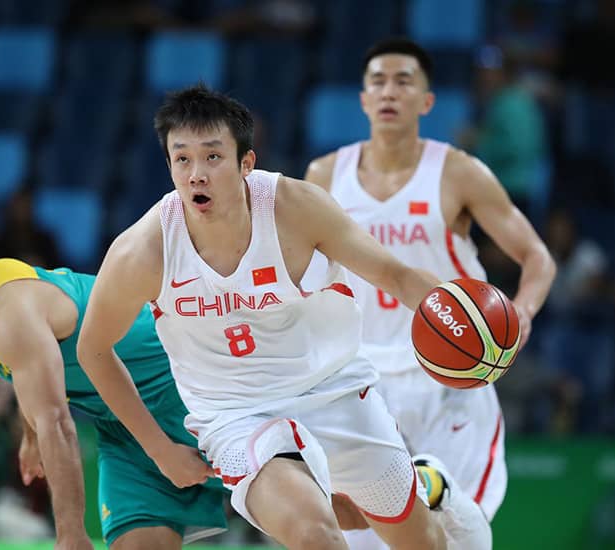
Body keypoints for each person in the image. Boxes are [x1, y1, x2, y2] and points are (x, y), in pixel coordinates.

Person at [76, 84, 492, 550]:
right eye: (182, 159)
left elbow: (393, 274)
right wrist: (158, 449)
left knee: (420, 542)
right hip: (235, 415)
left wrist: (462, 318)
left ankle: (431, 488)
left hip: (333, 389)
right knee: (316, 533)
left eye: (212, 157)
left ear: (246, 163)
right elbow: (92, 347)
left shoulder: (295, 209)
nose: (196, 174)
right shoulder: (144, 250)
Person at [303, 38, 556, 548]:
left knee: (460, 533)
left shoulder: (458, 171)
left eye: (404, 81)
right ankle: (430, 484)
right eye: (378, 81)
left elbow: (537, 257)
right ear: (363, 99)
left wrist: (523, 311)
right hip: (361, 375)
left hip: (451, 373)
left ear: (427, 101)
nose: (389, 91)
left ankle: (435, 487)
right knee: (366, 538)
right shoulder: (324, 175)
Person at [0, 196, 227, 550]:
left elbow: (59, 423)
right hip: (121, 421)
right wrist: (30, 435)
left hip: (180, 378)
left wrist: (71, 534)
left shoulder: (6, 309)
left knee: (277, 508)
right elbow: (30, 373)